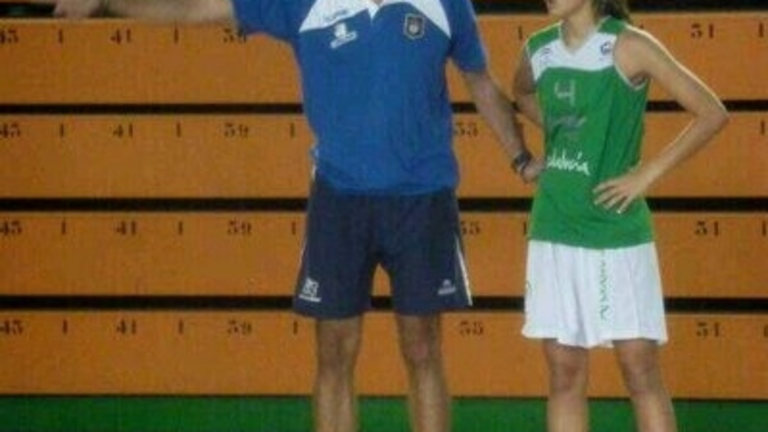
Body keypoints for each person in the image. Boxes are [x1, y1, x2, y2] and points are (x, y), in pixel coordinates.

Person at [52, 0, 541, 431]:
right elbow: (199, 8)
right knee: (334, 351)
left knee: (423, 348)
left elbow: (479, 80)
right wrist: (107, 2)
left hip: (422, 198)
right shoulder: (301, 3)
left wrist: (520, 158)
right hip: (339, 200)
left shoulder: (445, 3)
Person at [512, 0, 728, 431]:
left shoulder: (630, 45)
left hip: (616, 228)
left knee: (639, 368)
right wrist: (561, 134)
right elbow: (522, 93)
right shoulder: (537, 48)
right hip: (554, 225)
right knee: (564, 372)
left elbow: (711, 112)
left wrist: (646, 174)